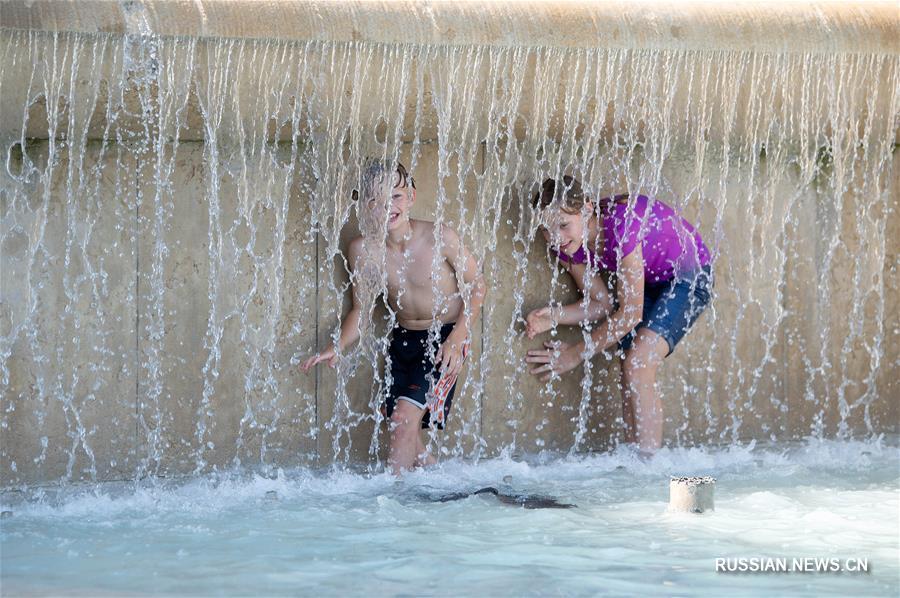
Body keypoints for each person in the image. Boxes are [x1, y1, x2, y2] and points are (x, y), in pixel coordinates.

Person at [301, 161, 486, 475]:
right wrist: (337, 345)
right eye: (375, 200)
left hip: (444, 340)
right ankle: (430, 472)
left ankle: (393, 503)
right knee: (394, 414)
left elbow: (478, 285)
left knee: (402, 417)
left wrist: (457, 338)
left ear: (411, 196)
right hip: (403, 338)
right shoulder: (362, 251)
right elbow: (359, 311)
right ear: (364, 206)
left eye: (396, 197)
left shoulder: (438, 237)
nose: (387, 207)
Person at [525, 176, 712, 455]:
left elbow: (630, 314)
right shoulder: (563, 244)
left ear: (587, 210)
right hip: (650, 282)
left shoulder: (619, 227)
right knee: (629, 367)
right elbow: (601, 302)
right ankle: (635, 462)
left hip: (689, 275)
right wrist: (554, 316)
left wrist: (573, 355)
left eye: (564, 225)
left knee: (638, 362)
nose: (556, 238)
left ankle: (649, 467)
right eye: (547, 229)